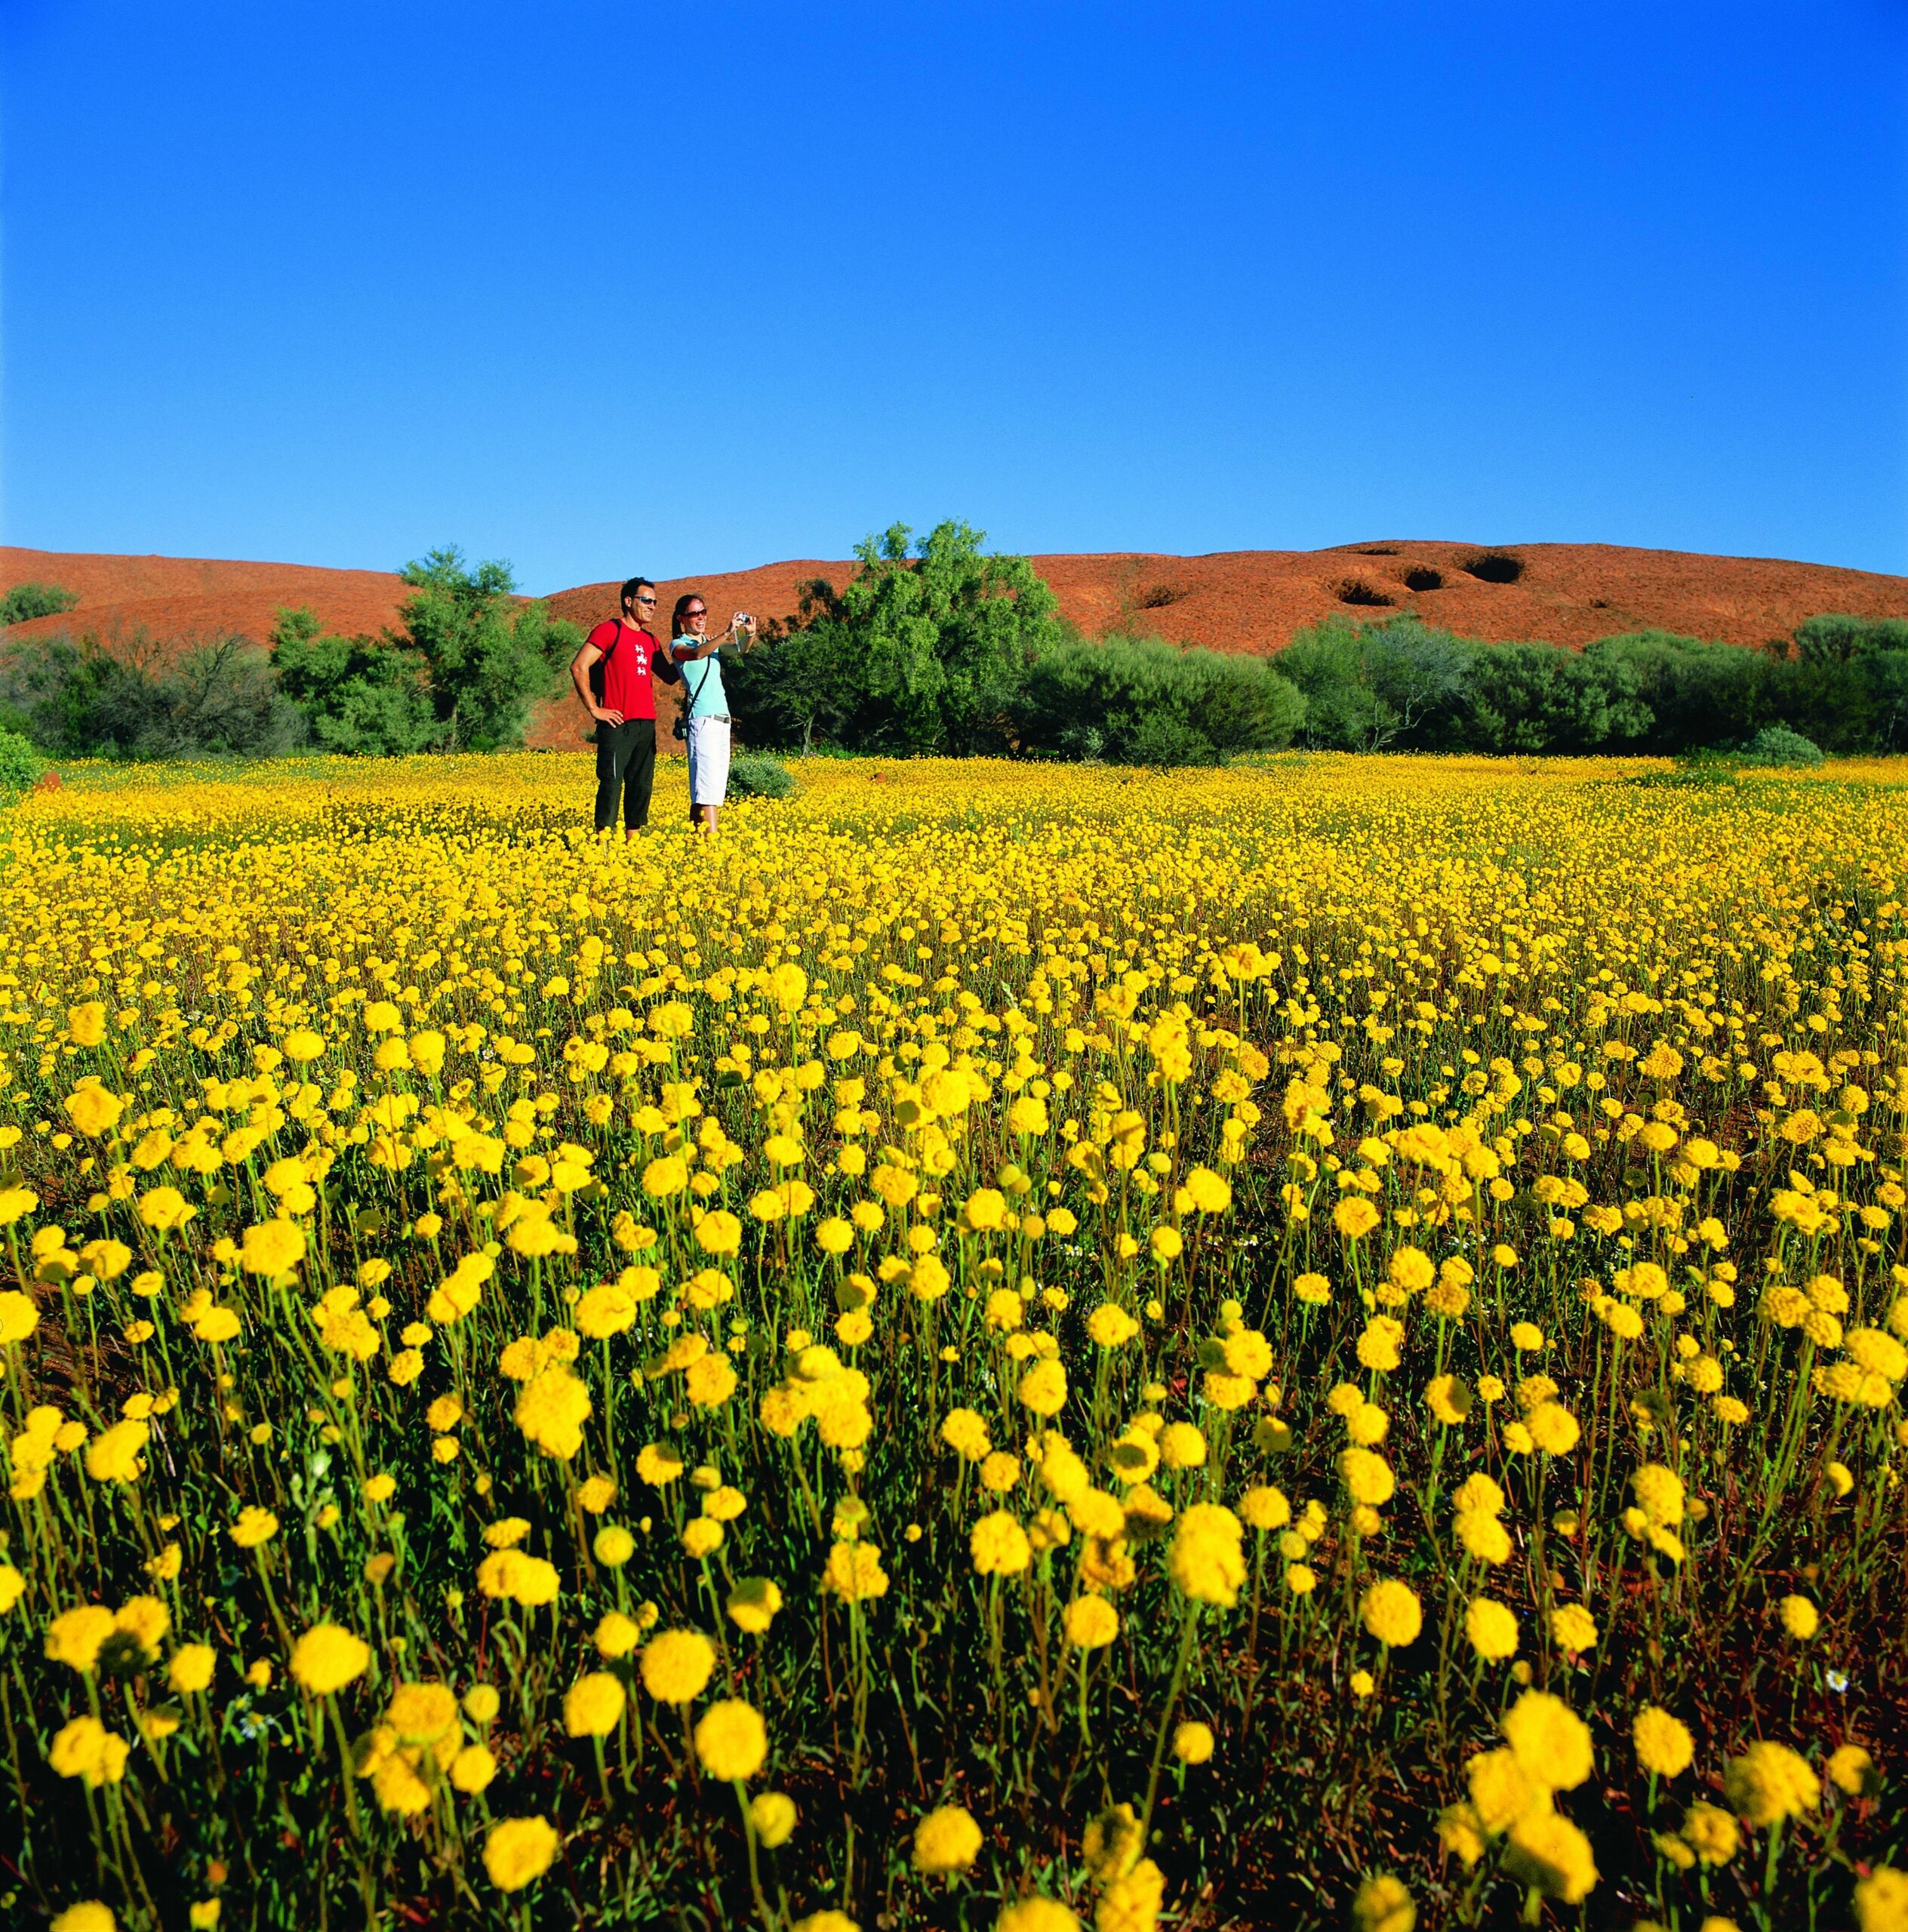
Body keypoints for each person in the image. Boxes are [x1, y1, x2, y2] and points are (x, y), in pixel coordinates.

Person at [570, 577, 679, 835]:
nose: (652, 606)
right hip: (617, 722)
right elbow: (579, 666)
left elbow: (670, 675)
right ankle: (603, 843)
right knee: (611, 782)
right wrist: (595, 709)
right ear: (628, 602)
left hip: (646, 723)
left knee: (641, 785)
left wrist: (698, 649)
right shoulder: (609, 631)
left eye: (655, 602)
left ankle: (632, 847)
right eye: (646, 600)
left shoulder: (651, 641)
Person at [669, 592, 756, 834]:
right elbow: (696, 654)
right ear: (681, 619)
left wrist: (749, 633)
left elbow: (739, 652)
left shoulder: (710, 642)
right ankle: (712, 842)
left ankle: (697, 839)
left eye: (703, 612)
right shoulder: (678, 644)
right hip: (702, 720)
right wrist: (727, 632)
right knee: (706, 786)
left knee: (712, 786)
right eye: (695, 614)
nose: (701, 618)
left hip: (721, 718)